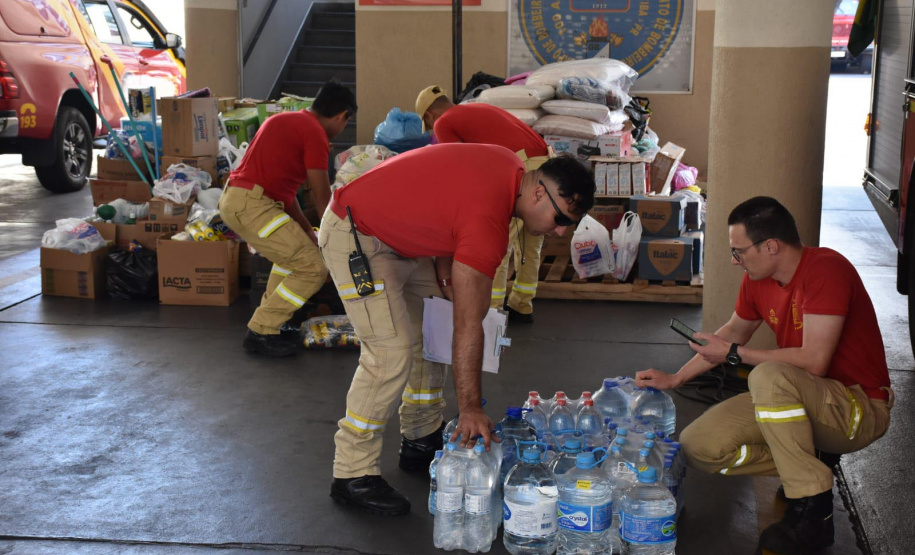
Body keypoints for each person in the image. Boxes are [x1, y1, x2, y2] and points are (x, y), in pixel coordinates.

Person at [320, 143, 594, 515]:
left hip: (403, 240)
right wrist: (469, 409)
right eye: (561, 219)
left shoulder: (509, 165)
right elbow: (469, 325)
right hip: (356, 235)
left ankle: (420, 437)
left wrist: (447, 265)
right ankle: (352, 473)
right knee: (391, 352)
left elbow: (446, 198)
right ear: (538, 193)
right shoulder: (489, 224)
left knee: (435, 328)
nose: (561, 232)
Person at [635, 196, 893, 554]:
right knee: (698, 446)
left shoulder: (827, 270)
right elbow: (732, 333)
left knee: (768, 376)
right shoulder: (758, 280)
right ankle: (806, 464)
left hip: (857, 409)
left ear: (770, 245)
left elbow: (815, 361)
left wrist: (734, 354)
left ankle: (812, 513)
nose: (733, 260)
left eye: (738, 251)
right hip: (807, 402)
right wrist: (676, 379)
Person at [219, 79, 357, 357]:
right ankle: (261, 329)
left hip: (241, 200)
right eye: (345, 123)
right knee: (314, 267)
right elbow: (321, 194)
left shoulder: (285, 122)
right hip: (255, 205)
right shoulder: (315, 133)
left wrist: (309, 232)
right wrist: (337, 237)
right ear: (342, 116)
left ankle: (275, 324)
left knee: (292, 260)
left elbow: (287, 196)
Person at [415, 85, 551, 323]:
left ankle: (492, 311)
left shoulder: (443, 122)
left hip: (521, 167)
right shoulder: (477, 108)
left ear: (429, 115)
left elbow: (456, 167)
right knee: (531, 240)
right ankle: (522, 304)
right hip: (545, 163)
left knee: (499, 238)